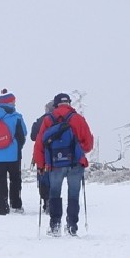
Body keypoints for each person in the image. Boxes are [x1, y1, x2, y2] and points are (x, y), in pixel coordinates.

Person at [33, 92, 94, 236]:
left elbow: (39, 144)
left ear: (55, 105)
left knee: (54, 193)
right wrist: (78, 150)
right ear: (69, 103)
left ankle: (55, 226)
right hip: (75, 163)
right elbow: (88, 144)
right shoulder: (78, 119)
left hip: (55, 164)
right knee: (74, 194)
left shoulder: (48, 120)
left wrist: (40, 165)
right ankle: (72, 226)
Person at [0, 88, 27, 215]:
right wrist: (17, 147)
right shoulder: (16, 116)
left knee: (1, 181)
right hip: (14, 155)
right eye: (13, 101)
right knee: (15, 179)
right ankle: (16, 205)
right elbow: (23, 134)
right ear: (10, 102)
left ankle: (3, 207)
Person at [30, 99, 55, 213]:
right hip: (56, 154)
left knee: (43, 177)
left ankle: (46, 201)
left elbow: (33, 137)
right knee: (54, 178)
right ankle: (53, 201)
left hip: (41, 152)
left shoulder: (40, 120)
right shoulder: (60, 119)